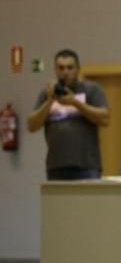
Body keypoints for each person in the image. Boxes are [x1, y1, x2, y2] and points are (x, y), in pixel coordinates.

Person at [28, 49, 109, 181]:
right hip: (56, 167)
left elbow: (105, 118)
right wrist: (49, 101)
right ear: (55, 70)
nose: (65, 72)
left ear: (78, 69)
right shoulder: (47, 94)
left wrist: (76, 103)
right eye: (61, 68)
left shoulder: (91, 90)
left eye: (70, 68)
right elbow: (31, 125)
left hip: (87, 167)